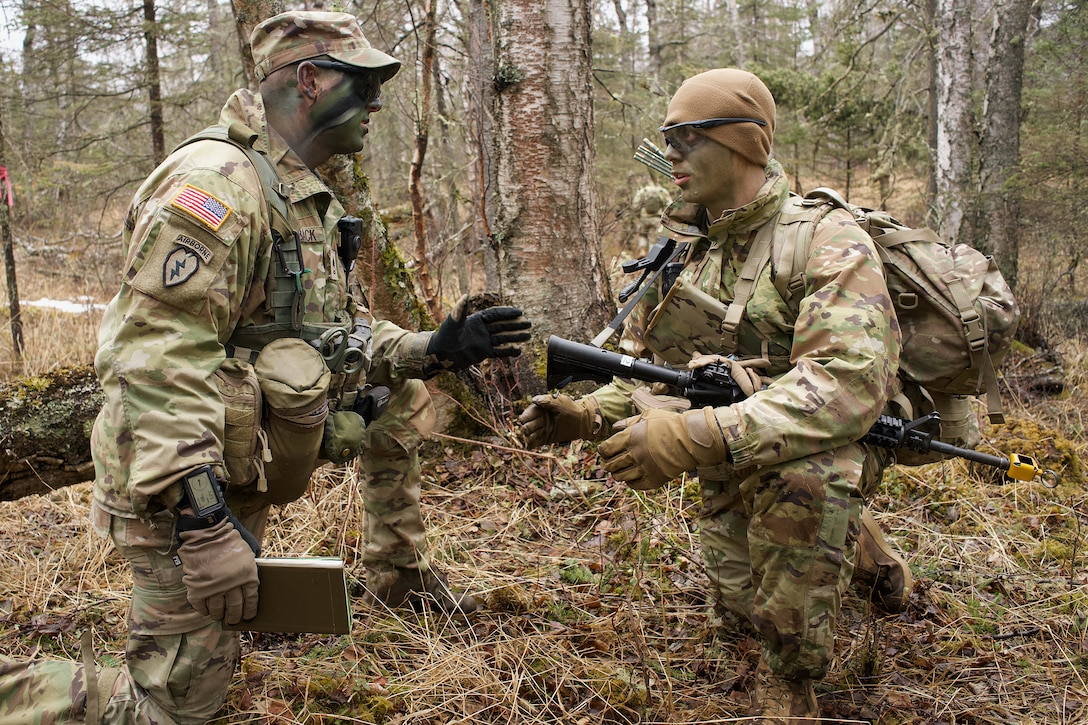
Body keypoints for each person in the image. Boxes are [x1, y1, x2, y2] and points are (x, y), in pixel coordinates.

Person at [0, 11, 530, 724]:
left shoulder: (300, 193)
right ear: (308, 80)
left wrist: (430, 350)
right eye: (363, 83)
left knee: (399, 397)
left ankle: (399, 574)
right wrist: (202, 518)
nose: (376, 104)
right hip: (179, 486)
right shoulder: (218, 186)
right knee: (166, 715)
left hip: (228, 470)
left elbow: (328, 337)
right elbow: (151, 355)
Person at [519, 68, 911, 723]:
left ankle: (794, 683)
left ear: (744, 144)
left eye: (686, 138)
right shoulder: (687, 248)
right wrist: (588, 415)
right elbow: (652, 371)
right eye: (666, 137)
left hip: (832, 435)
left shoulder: (823, 238)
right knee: (737, 613)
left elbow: (844, 383)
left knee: (806, 486)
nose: (668, 153)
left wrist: (694, 435)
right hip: (733, 431)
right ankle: (853, 552)